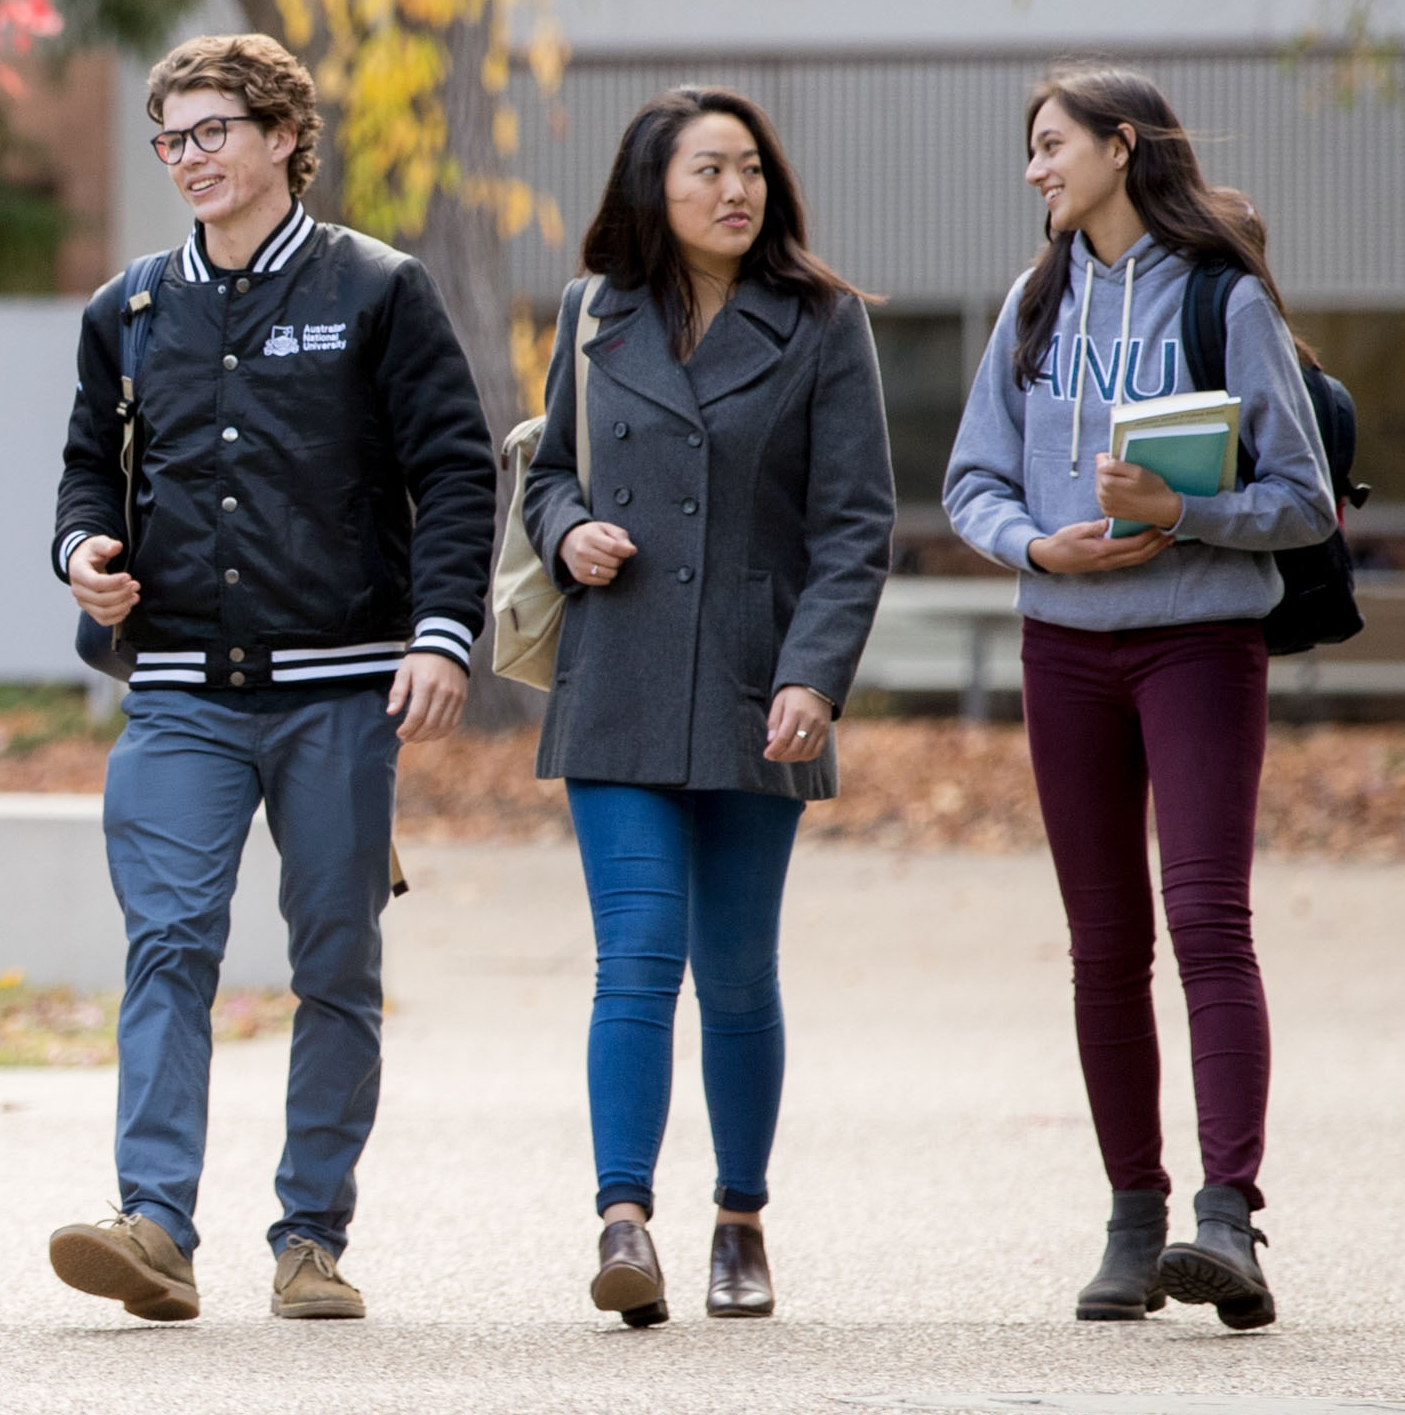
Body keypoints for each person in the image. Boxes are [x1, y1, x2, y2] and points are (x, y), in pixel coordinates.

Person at [45, 32, 500, 1325]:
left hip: (343, 685)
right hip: (179, 684)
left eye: (213, 132)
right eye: (171, 139)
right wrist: (83, 550)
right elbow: (85, 468)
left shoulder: (379, 291)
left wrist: (441, 631)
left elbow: (459, 471)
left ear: (285, 134)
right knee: (171, 941)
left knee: (336, 961)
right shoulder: (127, 309)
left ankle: (310, 1235)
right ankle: (154, 1225)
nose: (189, 157)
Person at [942, 66, 1335, 1331]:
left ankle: (1227, 1219)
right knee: (1103, 945)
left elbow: (1304, 497)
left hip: (1199, 641)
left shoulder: (1221, 296)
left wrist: (1185, 514)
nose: (1033, 169)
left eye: (1050, 145)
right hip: (1062, 646)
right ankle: (1131, 1216)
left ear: (1120, 146)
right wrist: (1031, 545)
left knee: (1207, 919)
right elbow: (968, 480)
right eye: (1028, 150)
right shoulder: (1033, 299)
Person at [521, 88, 894, 1327]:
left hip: (755, 685)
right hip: (617, 675)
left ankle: (739, 1218)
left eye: (747, 170)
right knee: (634, 953)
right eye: (705, 171)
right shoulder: (591, 313)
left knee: (735, 973)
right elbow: (549, 469)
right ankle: (621, 1217)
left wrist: (812, 673)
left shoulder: (821, 322)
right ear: (653, 188)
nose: (733, 190)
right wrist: (567, 530)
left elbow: (853, 526)